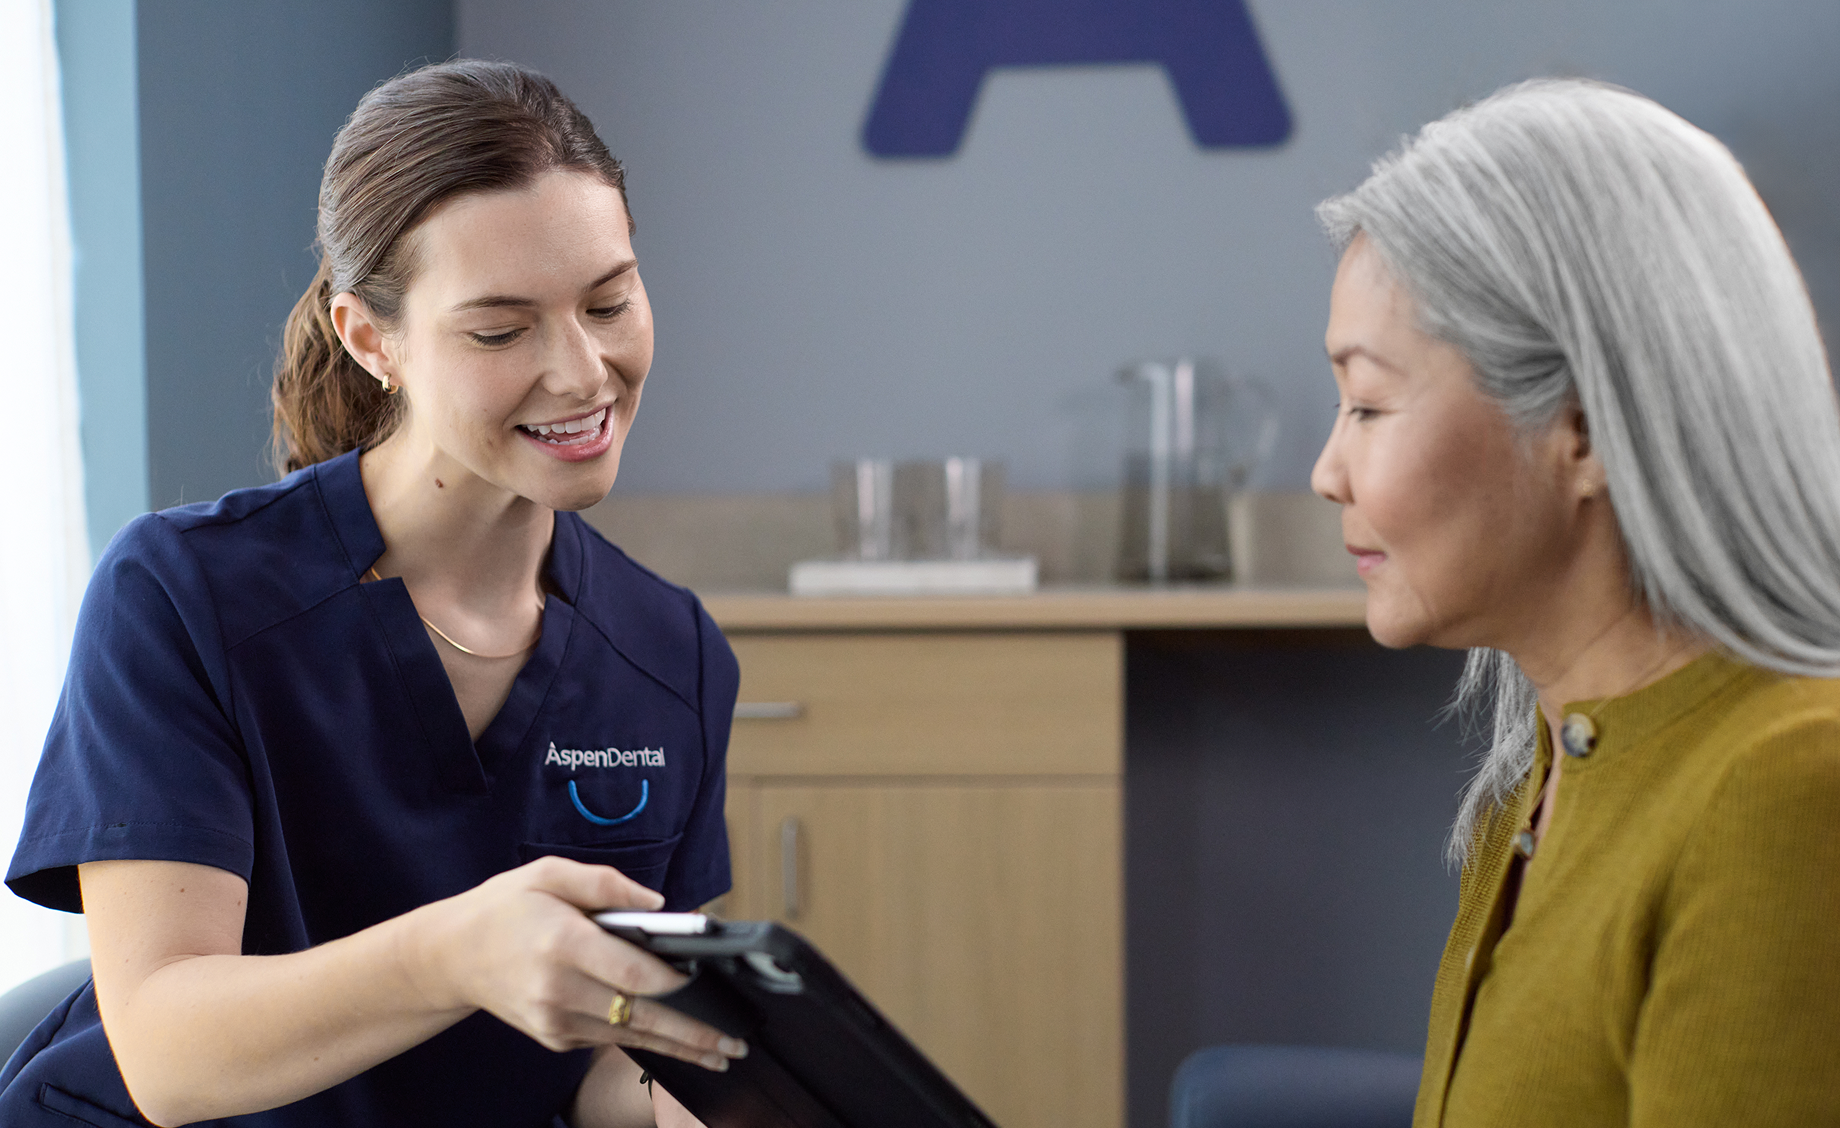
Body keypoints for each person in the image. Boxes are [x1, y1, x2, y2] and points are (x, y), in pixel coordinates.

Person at [2, 60, 745, 1128]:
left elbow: (609, 1056)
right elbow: (166, 1052)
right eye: (501, 329)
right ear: (370, 339)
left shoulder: (668, 653)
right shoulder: (182, 598)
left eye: (609, 301)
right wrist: (458, 954)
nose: (583, 372)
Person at [1310, 77, 1840, 1127]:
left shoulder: (1789, 795)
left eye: (1368, 402)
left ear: (1584, 431)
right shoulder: (1542, 779)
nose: (1328, 470)